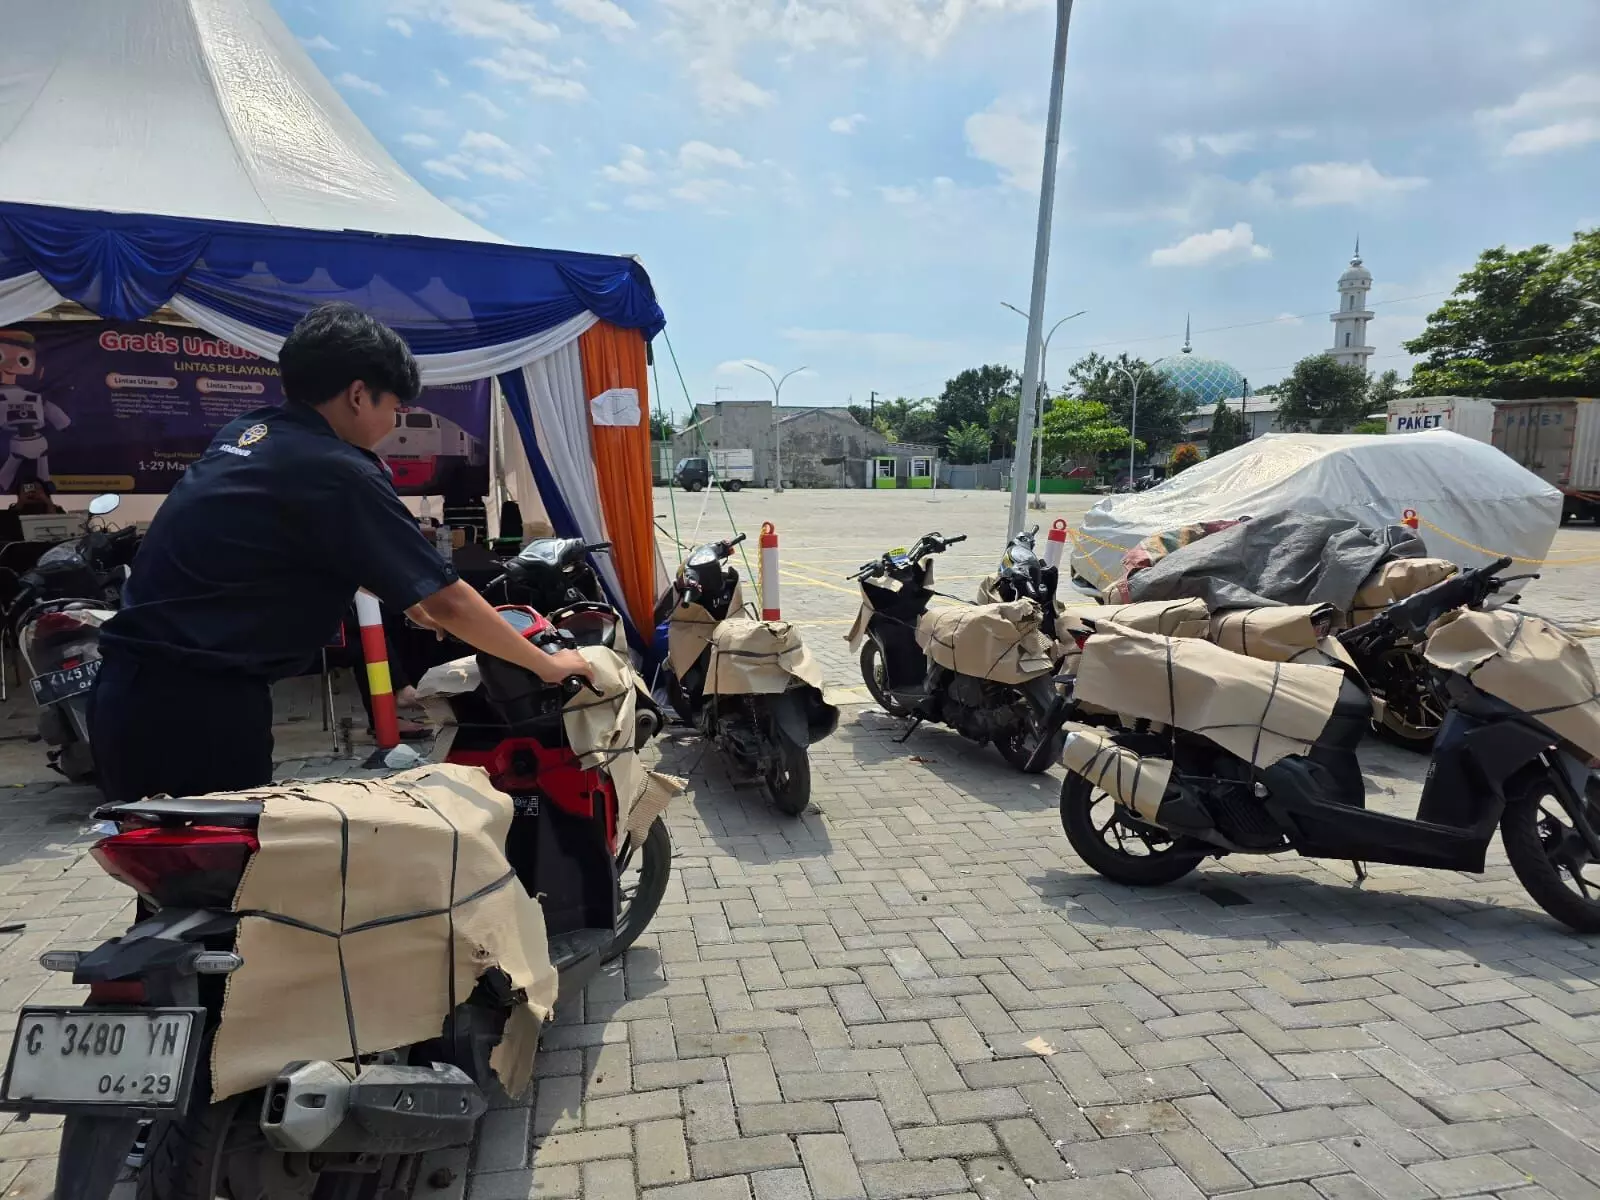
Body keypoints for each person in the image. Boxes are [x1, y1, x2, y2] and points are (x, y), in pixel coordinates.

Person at [89, 303, 594, 806]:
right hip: (197, 712)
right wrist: (547, 665)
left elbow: (307, 544)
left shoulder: (250, 432)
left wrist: (408, 596)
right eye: (393, 407)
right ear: (357, 395)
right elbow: (450, 603)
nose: (393, 423)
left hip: (126, 692)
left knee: (165, 855)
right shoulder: (337, 469)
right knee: (220, 857)